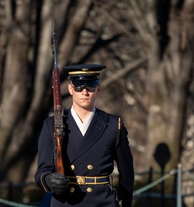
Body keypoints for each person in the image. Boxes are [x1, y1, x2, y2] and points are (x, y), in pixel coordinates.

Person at [35, 64, 134, 207]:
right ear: (70, 89)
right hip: (66, 202)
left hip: (102, 202)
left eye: (90, 87)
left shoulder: (113, 125)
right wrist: (49, 180)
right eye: (79, 86)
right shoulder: (51, 125)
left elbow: (127, 173)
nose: (85, 92)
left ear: (98, 89)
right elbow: (41, 172)